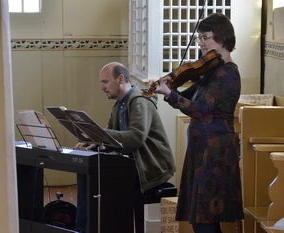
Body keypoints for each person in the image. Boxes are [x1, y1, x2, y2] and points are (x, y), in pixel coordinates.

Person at [149, 13, 244, 233]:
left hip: (216, 154)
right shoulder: (211, 70)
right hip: (202, 152)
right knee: (201, 218)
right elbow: (188, 99)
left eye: (205, 37)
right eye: (199, 37)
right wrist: (168, 88)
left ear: (221, 38)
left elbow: (199, 109)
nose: (200, 42)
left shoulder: (228, 73)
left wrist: (169, 94)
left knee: (205, 219)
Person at [74, 62, 176, 233]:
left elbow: (136, 138)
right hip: (131, 165)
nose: (102, 87)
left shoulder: (139, 101)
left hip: (148, 168)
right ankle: (85, 228)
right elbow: (113, 140)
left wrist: (99, 134)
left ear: (120, 79)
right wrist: (96, 143)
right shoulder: (119, 105)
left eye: (105, 82)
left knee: (100, 181)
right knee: (88, 173)